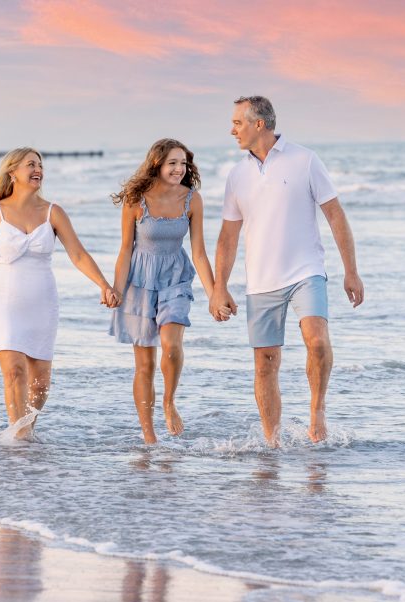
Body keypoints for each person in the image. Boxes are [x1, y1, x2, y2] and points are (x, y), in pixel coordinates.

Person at [210, 96, 365, 446]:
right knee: (265, 363)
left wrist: (350, 271)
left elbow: (335, 215)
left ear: (259, 124)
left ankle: (317, 411)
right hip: (261, 281)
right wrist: (219, 287)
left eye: (237, 122)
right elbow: (227, 237)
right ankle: (272, 443)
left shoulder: (305, 160)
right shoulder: (237, 175)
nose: (232, 129)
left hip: (305, 271)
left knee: (318, 341)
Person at [0, 148, 117, 440]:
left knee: (40, 383)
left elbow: (78, 254)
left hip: (42, 302)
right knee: (15, 371)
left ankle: (26, 431)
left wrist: (103, 284)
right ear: (12, 172)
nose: (38, 170)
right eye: (31, 164)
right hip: (3, 299)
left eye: (40, 165)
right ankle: (19, 440)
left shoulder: (53, 212)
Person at [109, 139, 215, 444]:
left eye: (183, 163)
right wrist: (116, 289)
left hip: (176, 278)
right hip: (139, 282)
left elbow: (199, 253)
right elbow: (125, 251)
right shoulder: (135, 199)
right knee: (144, 364)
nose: (179, 169)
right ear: (157, 164)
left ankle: (169, 402)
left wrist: (213, 294)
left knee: (171, 345)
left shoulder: (192, 200)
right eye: (173, 163)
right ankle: (149, 437)